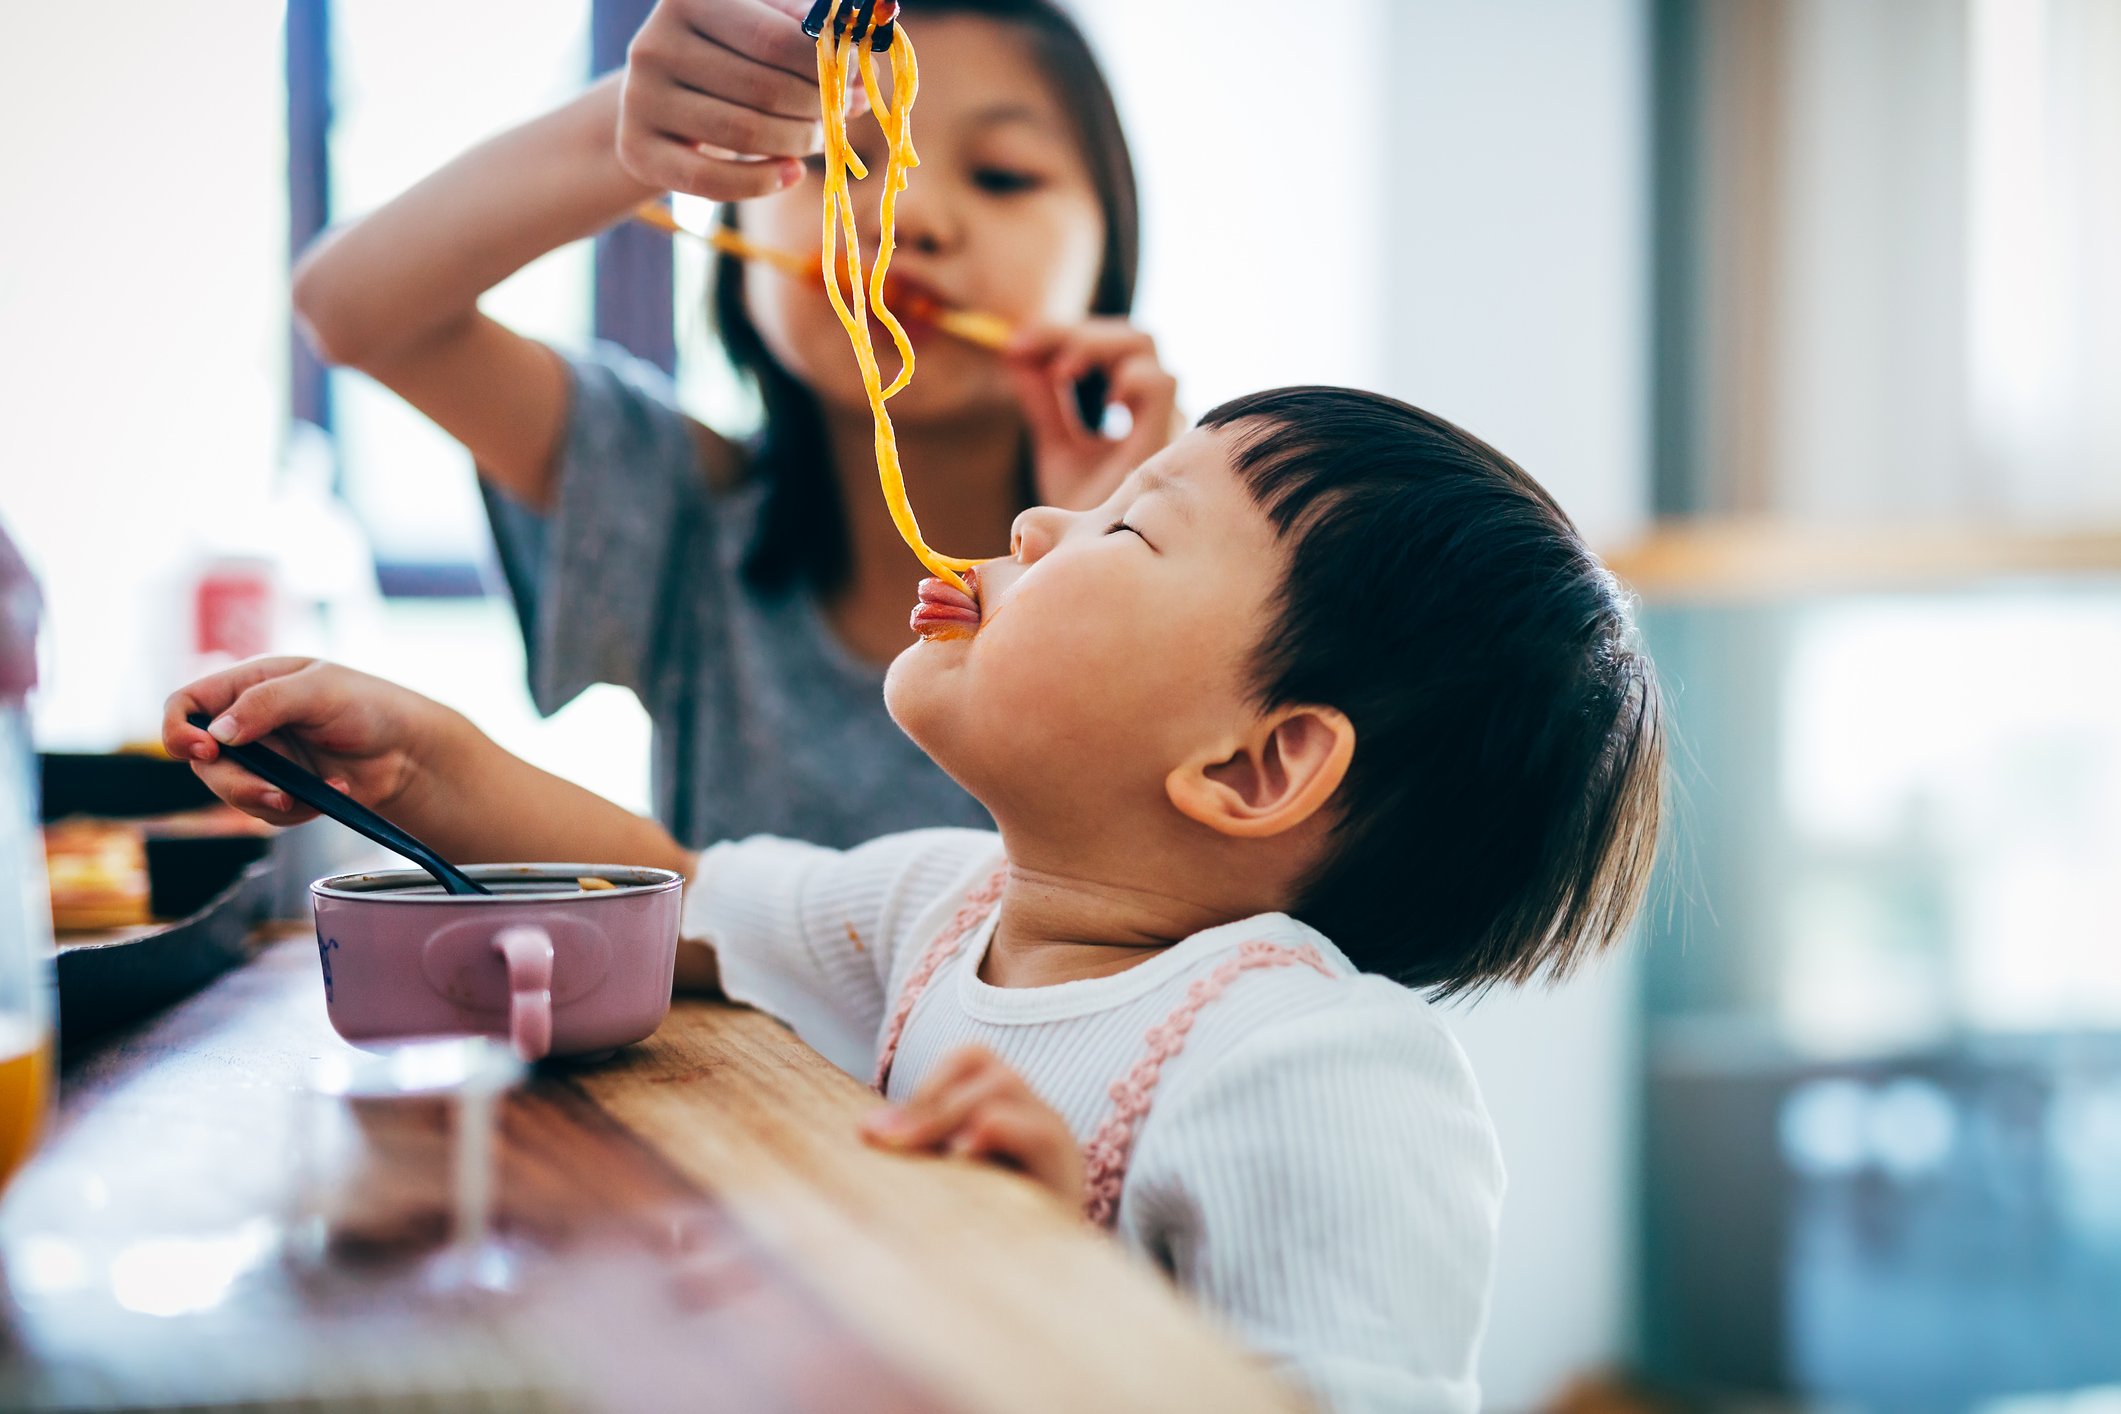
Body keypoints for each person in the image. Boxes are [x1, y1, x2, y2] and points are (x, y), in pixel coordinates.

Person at [168, 386, 1666, 1411]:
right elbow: (678, 900)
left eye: (1127, 529)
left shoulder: (1315, 1071)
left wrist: (1062, 1292)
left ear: (1254, 765)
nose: (1033, 528)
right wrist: (431, 759)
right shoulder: (941, 907)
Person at [290, 0, 1175, 847]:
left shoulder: (1208, 560)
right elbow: (349, 307)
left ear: (1109, 247)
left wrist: (1112, 566)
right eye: (834, 160)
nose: (905, 221)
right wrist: (648, 124)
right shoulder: (681, 504)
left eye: (1003, 175)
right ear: (735, 216)